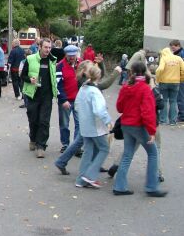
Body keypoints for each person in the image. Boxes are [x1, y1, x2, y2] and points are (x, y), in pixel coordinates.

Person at [54, 60, 122, 175]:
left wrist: (101, 64)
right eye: (91, 67)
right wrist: (115, 73)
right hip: (90, 116)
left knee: (84, 141)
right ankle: (69, 163)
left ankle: (90, 164)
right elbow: (103, 84)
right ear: (84, 70)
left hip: (89, 115)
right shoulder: (83, 80)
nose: (93, 68)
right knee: (84, 141)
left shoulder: (87, 78)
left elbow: (100, 76)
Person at [113, 61, 167, 197]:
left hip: (126, 124)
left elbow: (119, 107)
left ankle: (119, 186)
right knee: (153, 153)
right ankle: (151, 186)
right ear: (145, 72)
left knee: (127, 154)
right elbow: (148, 112)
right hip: (138, 125)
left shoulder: (126, 87)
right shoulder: (145, 88)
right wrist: (152, 131)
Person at [74, 64, 112, 188]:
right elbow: (99, 110)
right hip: (95, 127)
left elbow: (76, 106)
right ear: (98, 76)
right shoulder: (95, 91)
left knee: (88, 151)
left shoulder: (83, 88)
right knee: (104, 148)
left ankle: (80, 179)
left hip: (84, 125)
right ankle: (90, 175)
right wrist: (108, 121)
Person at [21, 38, 58, 158]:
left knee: (44, 121)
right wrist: (29, 80)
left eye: (49, 48)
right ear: (40, 47)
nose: (48, 50)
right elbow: (23, 75)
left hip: (47, 96)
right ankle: (33, 138)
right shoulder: (30, 59)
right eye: (46, 47)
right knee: (33, 120)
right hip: (33, 95)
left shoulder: (52, 60)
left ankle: (41, 146)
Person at [56, 45, 82, 153]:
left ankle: (76, 146)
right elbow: (58, 85)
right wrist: (63, 99)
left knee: (79, 124)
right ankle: (65, 144)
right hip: (65, 100)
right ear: (65, 55)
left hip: (79, 100)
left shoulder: (81, 64)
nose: (72, 58)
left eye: (73, 55)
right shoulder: (60, 66)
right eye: (69, 56)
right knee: (64, 124)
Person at [156, 47, 184, 125]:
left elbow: (160, 69)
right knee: (173, 101)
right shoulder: (178, 58)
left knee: (164, 100)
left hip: (164, 82)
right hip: (176, 82)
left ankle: (163, 120)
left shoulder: (164, 58)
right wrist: (181, 79)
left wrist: (158, 78)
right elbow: (183, 69)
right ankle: (173, 121)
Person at [169, 40, 184, 121]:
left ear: (178, 45)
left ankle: (182, 116)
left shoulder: (181, 54)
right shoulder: (178, 53)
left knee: (180, 97)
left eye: (173, 48)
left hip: (181, 78)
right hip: (179, 78)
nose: (172, 49)